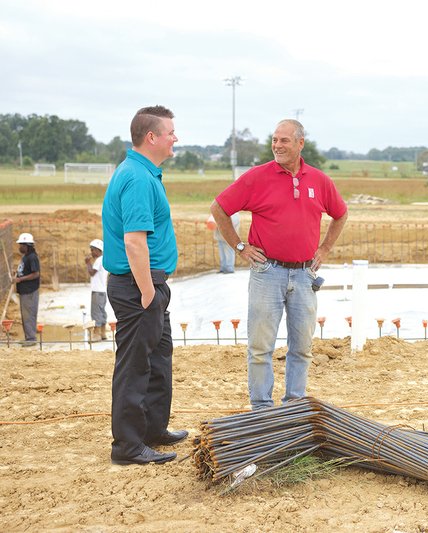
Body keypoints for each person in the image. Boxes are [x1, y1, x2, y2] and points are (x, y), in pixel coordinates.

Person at [210, 119, 348, 409]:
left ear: (300, 143)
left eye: (284, 140)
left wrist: (324, 248)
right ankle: (261, 407)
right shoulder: (257, 177)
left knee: (302, 346)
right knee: (260, 347)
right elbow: (219, 208)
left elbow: (340, 214)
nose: (277, 146)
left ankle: (294, 405)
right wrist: (239, 246)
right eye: (274, 140)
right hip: (267, 272)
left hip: (304, 275)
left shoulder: (319, 180)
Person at [101, 105, 187, 466]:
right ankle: (128, 446)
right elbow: (134, 241)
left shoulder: (144, 173)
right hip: (139, 286)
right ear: (151, 137)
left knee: (157, 358)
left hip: (146, 285)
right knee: (135, 364)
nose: (175, 138)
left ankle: (152, 429)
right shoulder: (137, 178)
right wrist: (148, 293)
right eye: (170, 132)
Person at [13, 232, 40, 347]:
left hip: (30, 291)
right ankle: (28, 337)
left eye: (21, 245)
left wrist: (21, 279)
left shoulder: (32, 257)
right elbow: (25, 271)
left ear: (27, 245)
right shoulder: (26, 257)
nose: (19, 247)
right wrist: (17, 274)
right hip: (24, 291)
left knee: (29, 315)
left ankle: (31, 338)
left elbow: (36, 274)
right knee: (25, 315)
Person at [84, 239, 108, 341]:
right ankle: (103, 333)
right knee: (102, 311)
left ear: (98, 250)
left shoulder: (99, 260)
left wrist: (88, 263)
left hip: (97, 291)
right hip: (102, 291)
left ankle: (96, 335)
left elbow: (92, 273)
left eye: (92, 250)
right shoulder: (104, 259)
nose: (91, 252)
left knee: (96, 312)